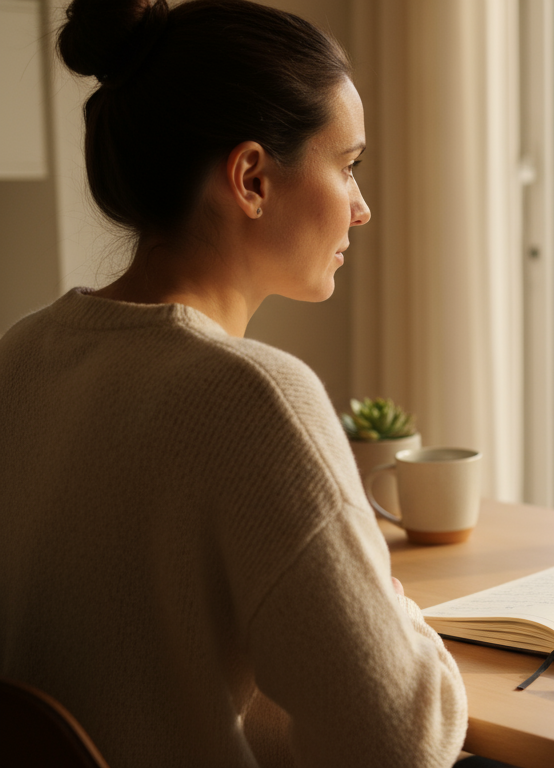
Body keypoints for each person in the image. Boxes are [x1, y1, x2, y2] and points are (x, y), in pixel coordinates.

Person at [0, 1, 468, 765]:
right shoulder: (255, 398)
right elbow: (398, 742)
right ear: (251, 178)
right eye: (347, 166)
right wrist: (391, 606)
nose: (362, 208)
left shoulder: (19, 356)